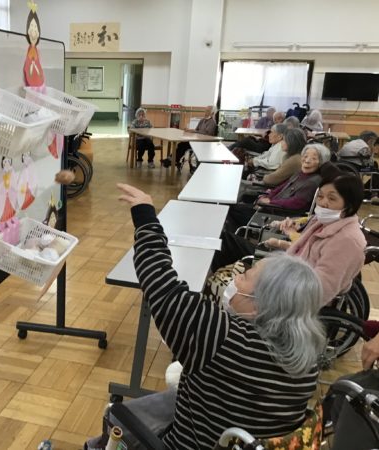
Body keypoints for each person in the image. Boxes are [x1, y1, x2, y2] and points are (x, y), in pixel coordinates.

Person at [89, 183, 325, 449]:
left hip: (187, 444)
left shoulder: (222, 338)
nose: (236, 277)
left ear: (260, 306)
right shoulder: (308, 359)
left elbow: (160, 283)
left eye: (246, 276)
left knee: (112, 424)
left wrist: (145, 216)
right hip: (236, 440)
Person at [214, 174, 365, 306]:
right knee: (224, 240)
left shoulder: (347, 241)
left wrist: (274, 284)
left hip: (291, 289)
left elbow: (320, 290)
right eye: (320, 196)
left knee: (226, 247)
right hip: (286, 268)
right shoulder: (323, 221)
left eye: (332, 198)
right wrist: (282, 242)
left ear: (349, 205)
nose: (323, 203)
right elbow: (306, 251)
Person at [225, 144, 332, 233]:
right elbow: (280, 187)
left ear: (321, 162)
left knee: (229, 209)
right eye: (305, 156)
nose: (307, 160)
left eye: (314, 158)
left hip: (278, 215)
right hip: (269, 208)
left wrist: (270, 202)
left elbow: (296, 203)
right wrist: (267, 196)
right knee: (232, 207)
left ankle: (237, 237)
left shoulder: (313, 181)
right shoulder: (300, 173)